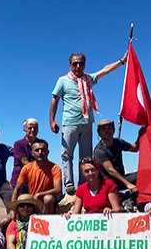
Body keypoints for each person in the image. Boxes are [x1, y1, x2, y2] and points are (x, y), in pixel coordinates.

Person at [49, 51, 128, 196]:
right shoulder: (63, 80)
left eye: (81, 63)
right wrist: (52, 120)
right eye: (75, 63)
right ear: (70, 65)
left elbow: (105, 71)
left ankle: (83, 184)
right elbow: (55, 100)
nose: (78, 66)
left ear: (84, 65)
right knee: (67, 155)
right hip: (69, 123)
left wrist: (121, 61)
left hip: (87, 123)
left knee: (85, 157)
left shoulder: (88, 79)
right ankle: (69, 185)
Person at [93, 119, 145, 206]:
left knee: (143, 174)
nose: (107, 130)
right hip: (108, 183)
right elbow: (110, 170)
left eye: (109, 128)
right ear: (99, 133)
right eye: (104, 129)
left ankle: (134, 198)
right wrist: (128, 184)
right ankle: (123, 198)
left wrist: (140, 134)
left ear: (113, 130)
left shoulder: (118, 142)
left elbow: (135, 148)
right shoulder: (99, 150)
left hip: (121, 178)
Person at [12, 138, 62, 214]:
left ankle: (48, 221)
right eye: (37, 150)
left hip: (49, 202)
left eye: (43, 150)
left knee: (48, 198)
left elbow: (58, 189)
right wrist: (13, 210)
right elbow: (17, 189)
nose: (40, 152)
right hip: (33, 201)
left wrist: (40, 194)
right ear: (32, 153)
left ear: (47, 152)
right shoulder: (27, 168)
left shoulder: (55, 168)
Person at [10, 118, 38, 189]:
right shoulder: (18, 144)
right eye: (30, 128)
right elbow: (25, 163)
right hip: (20, 181)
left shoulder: (41, 144)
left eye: (35, 128)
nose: (32, 130)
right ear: (24, 129)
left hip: (36, 180)